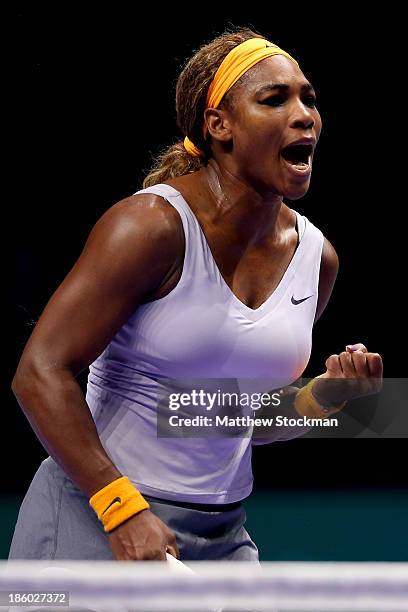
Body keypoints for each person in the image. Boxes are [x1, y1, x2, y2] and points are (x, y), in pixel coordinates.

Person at [9, 27, 383, 564]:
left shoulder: (317, 260)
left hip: (223, 533)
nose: (305, 115)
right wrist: (120, 507)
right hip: (98, 514)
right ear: (219, 126)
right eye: (274, 99)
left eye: (309, 98)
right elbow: (40, 371)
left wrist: (321, 398)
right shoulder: (149, 227)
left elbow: (232, 418)